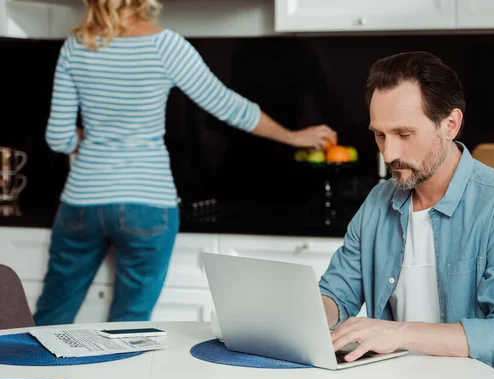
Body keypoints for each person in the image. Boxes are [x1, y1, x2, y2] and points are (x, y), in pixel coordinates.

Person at [34, 0, 337, 326]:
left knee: (52, 315)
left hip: (82, 201)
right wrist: (293, 136)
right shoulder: (165, 45)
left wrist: (94, 134)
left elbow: (58, 139)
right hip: (148, 202)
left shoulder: (75, 47)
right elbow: (228, 105)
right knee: (129, 323)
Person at [318, 51, 494, 379]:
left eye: (404, 134)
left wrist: (400, 333)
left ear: (450, 125)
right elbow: (337, 292)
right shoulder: (378, 202)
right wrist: (306, 315)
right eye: (380, 135)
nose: (388, 154)